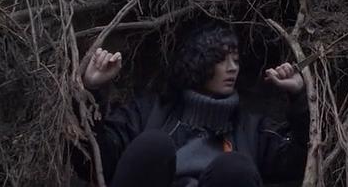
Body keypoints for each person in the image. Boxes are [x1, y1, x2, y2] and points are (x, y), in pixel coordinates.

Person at [75, 23, 308, 187]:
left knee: (235, 169)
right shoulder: (147, 114)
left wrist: (298, 96)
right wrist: (90, 91)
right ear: (198, 61)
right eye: (220, 59)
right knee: (153, 146)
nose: (232, 68)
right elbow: (92, 162)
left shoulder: (251, 130)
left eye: (235, 60)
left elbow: (297, 162)